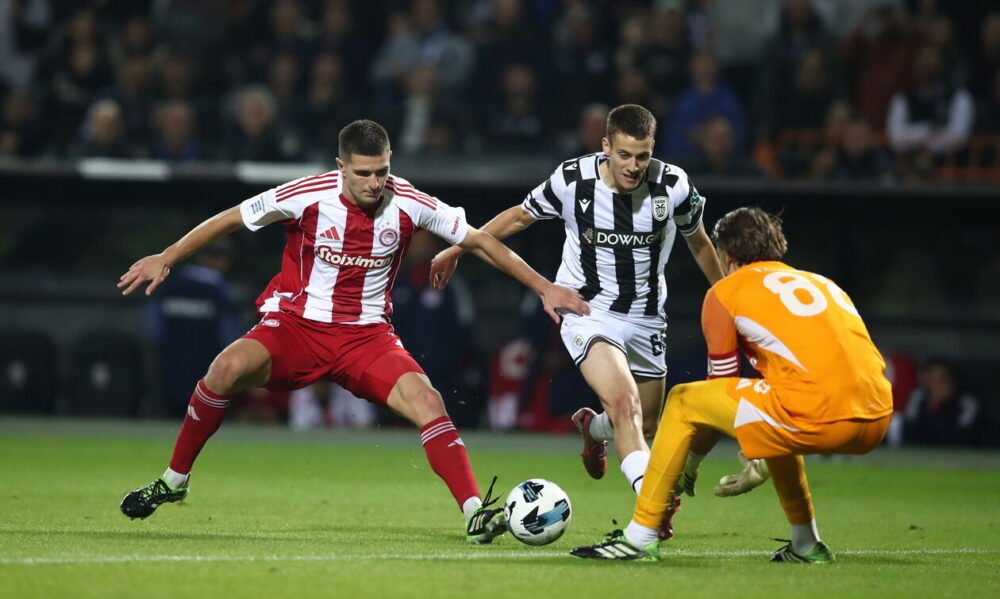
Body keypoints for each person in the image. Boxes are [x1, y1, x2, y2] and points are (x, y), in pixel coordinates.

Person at [117, 119, 589, 544]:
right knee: (225, 367)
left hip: (366, 337)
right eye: (362, 173)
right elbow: (230, 219)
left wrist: (543, 287)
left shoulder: (409, 201)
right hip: (296, 328)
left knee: (428, 401)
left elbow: (480, 240)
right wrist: (168, 256)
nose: (373, 182)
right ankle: (174, 481)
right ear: (340, 166)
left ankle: (473, 512)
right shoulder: (306, 193)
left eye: (381, 171)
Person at [430, 104, 762, 538]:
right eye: (624, 154)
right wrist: (458, 246)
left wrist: (727, 302)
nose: (633, 166)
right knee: (625, 403)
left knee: (645, 425)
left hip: (646, 317)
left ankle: (593, 428)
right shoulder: (572, 180)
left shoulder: (674, 186)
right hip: (587, 311)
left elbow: (699, 243)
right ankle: (653, 505)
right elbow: (519, 216)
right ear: (606, 146)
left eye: (642, 156)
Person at [571, 207, 893, 562]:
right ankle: (806, 544)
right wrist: (763, 447)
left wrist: (689, 466)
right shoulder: (823, 284)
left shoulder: (725, 292)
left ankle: (639, 537)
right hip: (878, 417)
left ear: (726, 254)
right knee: (778, 400)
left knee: (682, 400)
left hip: (817, 413)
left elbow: (716, 394)